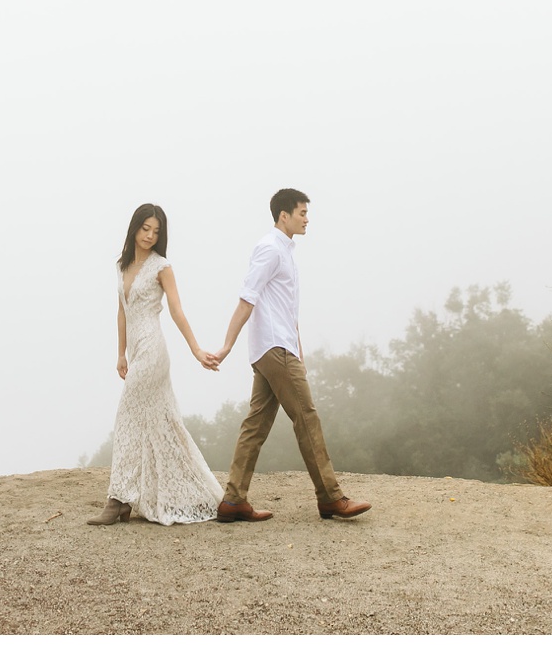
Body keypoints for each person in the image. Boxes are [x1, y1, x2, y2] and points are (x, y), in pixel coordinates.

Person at [213, 188, 371, 523]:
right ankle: (330, 497)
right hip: (274, 348)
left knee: (255, 425)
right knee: (307, 418)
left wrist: (299, 351)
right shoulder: (270, 249)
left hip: (277, 347)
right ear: (283, 215)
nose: (307, 218)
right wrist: (226, 346)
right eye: (302, 212)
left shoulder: (285, 252)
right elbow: (247, 298)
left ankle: (233, 500)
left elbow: (286, 309)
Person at [88, 203, 224, 526]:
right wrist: (120, 354)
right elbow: (122, 311)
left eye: (156, 231)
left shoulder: (162, 267)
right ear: (135, 228)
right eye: (145, 228)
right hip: (135, 352)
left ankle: (118, 499)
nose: (150, 235)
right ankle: (196, 492)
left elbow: (177, 311)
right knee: (164, 424)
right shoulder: (122, 266)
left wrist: (196, 349)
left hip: (153, 350)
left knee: (126, 418)